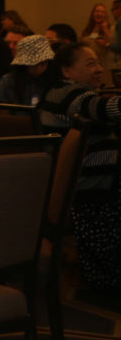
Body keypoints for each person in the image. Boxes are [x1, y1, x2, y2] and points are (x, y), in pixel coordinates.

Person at [38, 42, 121, 290]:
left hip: (84, 181)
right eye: (91, 64)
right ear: (67, 71)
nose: (99, 69)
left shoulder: (59, 92)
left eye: (98, 63)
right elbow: (101, 109)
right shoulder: (71, 95)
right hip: (89, 186)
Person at [0, 34, 56, 106]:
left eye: (43, 63)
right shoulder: (9, 80)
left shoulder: (54, 81)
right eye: (33, 64)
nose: (38, 67)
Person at [81, 2, 115, 74]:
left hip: (104, 65)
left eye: (102, 12)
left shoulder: (111, 28)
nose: (99, 14)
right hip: (89, 65)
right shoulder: (88, 29)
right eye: (97, 11)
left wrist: (105, 29)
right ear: (93, 14)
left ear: (105, 15)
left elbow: (114, 44)